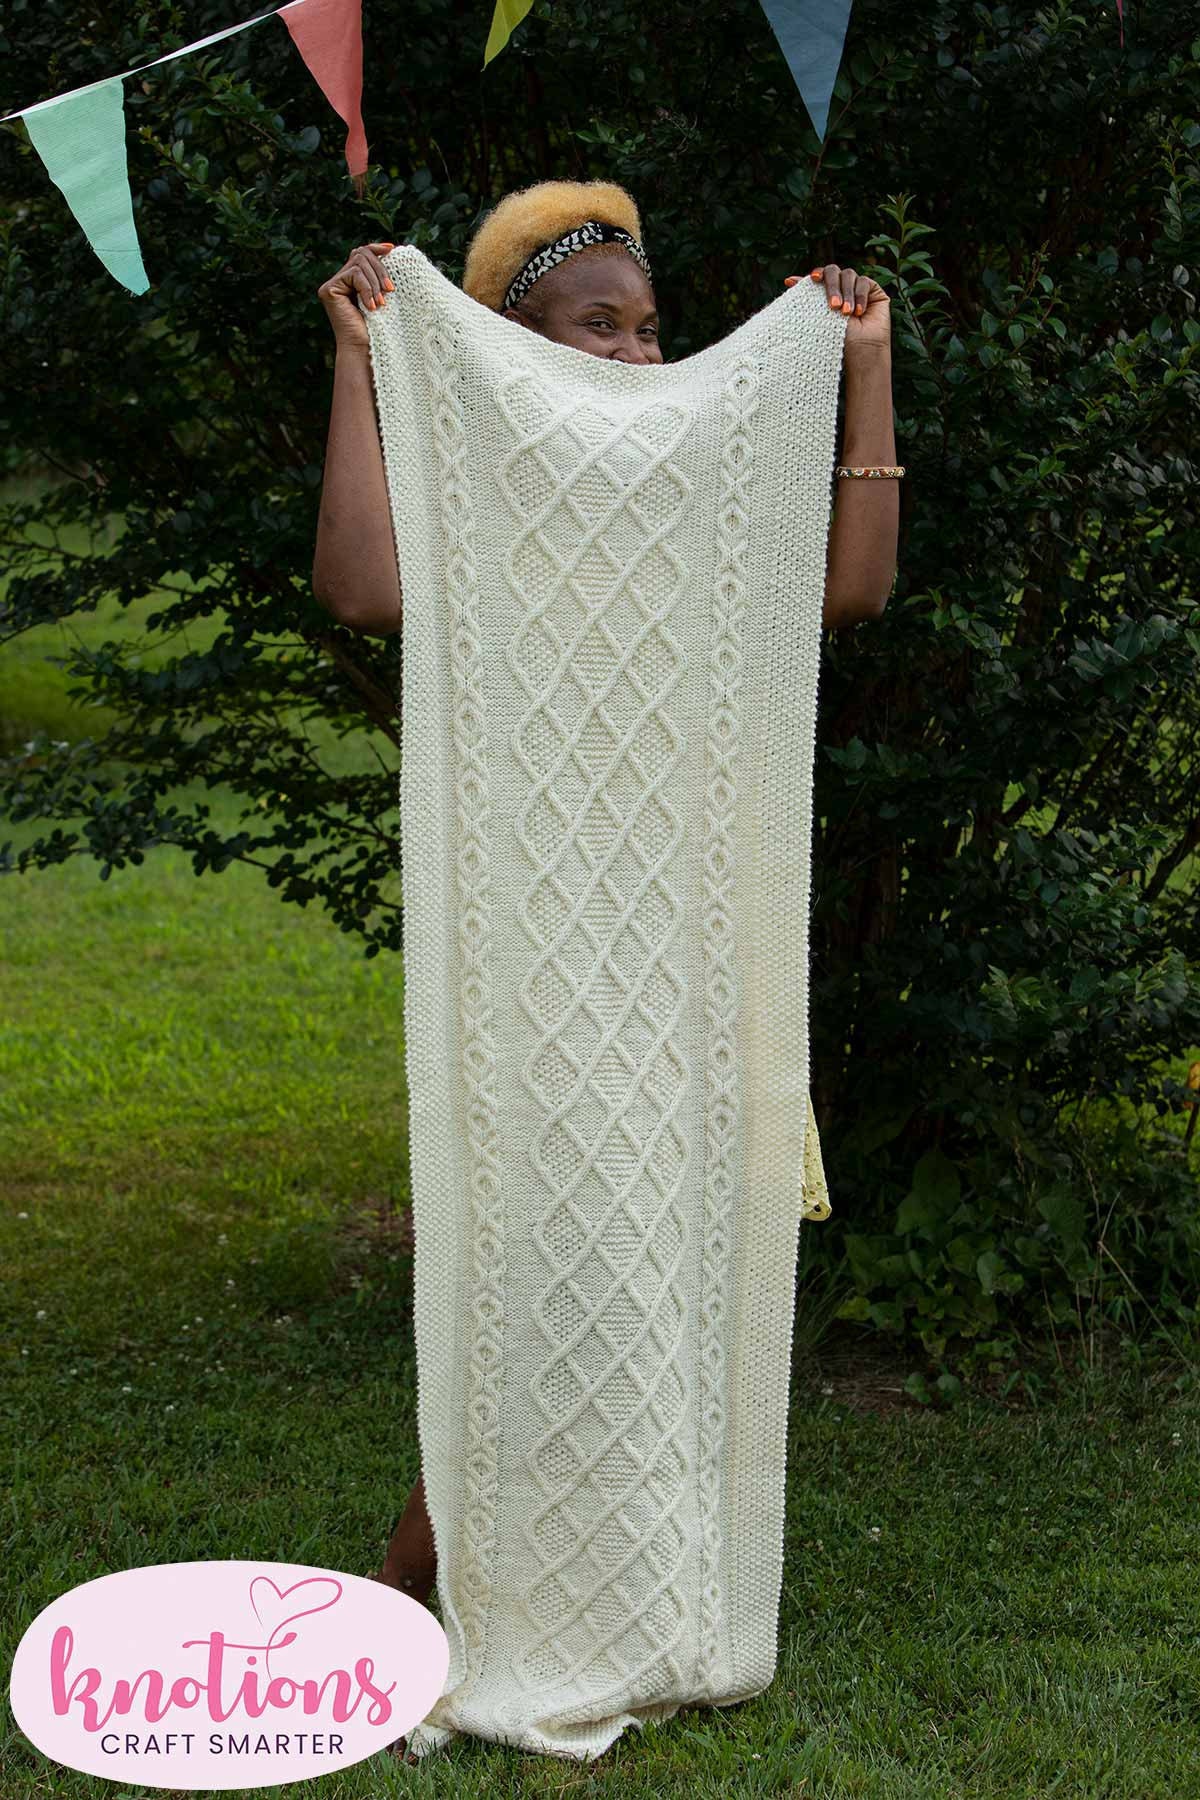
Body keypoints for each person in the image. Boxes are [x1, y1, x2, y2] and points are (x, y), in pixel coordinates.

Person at [311, 176, 899, 1732]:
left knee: (661, 1270)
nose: (641, 358)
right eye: (599, 327)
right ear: (513, 347)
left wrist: (864, 364)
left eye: (652, 328)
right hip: (538, 948)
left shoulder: (697, 479)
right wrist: (363, 361)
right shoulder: (485, 485)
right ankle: (444, 1585)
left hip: (692, 943)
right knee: (547, 1258)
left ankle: (617, 1591)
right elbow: (363, 588)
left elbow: (848, 588)